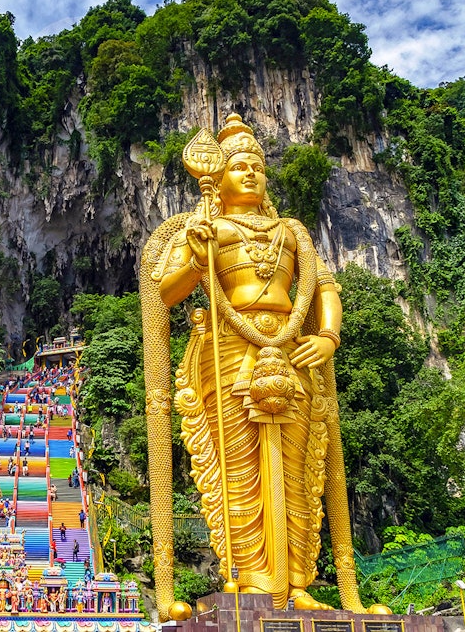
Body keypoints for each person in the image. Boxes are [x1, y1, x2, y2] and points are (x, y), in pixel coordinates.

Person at [143, 114, 366, 613]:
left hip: (291, 351)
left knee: (297, 466)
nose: (250, 173)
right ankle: (248, 579)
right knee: (238, 468)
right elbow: (165, 291)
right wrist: (198, 260)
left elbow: (324, 287)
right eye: (238, 165)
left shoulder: (293, 231)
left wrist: (327, 335)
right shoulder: (206, 226)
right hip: (227, 350)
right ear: (217, 177)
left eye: (257, 166)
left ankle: (299, 584)